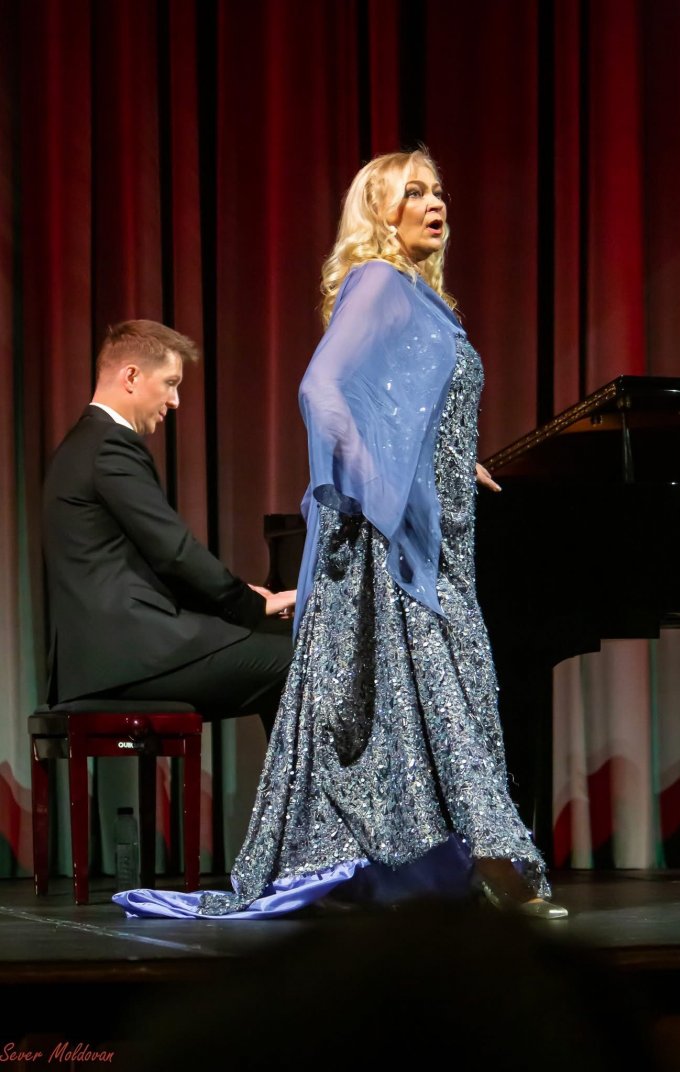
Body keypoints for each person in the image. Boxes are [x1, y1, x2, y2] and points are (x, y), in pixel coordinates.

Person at [114, 150, 568, 920]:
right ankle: (496, 871)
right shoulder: (380, 281)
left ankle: (443, 871)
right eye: (413, 192)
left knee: (443, 702)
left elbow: (406, 411)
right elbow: (321, 390)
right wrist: (385, 490)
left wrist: (450, 463)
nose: (435, 203)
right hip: (390, 542)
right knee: (446, 703)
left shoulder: (422, 299)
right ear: (380, 211)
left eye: (438, 190)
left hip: (436, 535)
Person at [42, 319, 296, 737]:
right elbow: (174, 553)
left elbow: (143, 566)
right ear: (131, 376)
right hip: (131, 656)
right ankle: (306, 784)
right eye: (170, 383)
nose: (175, 401)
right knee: (307, 661)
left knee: (290, 650)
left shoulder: (83, 444)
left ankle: (290, 782)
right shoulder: (110, 445)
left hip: (107, 658)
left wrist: (243, 598)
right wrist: (246, 604)